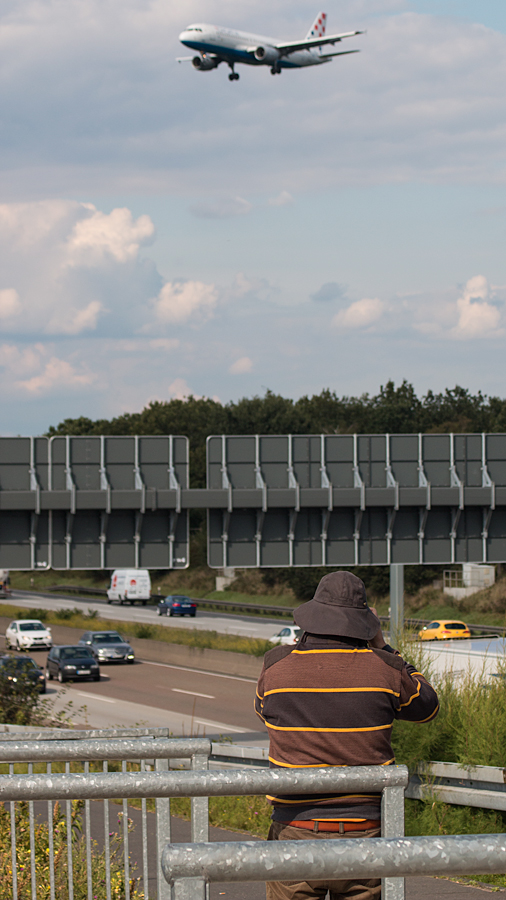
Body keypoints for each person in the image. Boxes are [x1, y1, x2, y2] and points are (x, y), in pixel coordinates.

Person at [255, 570, 439, 900]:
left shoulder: (276, 665)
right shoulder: (386, 668)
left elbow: (262, 710)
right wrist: (384, 646)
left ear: (312, 616)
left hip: (294, 831)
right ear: (363, 622)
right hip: (364, 838)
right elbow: (428, 706)